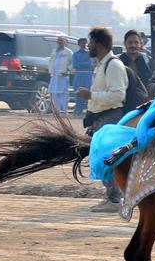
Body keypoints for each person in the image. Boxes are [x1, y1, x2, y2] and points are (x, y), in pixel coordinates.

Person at [77, 27, 128, 213]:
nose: (88, 46)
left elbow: (117, 95)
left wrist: (91, 95)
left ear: (98, 44)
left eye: (90, 42)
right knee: (102, 158)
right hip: (101, 118)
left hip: (111, 116)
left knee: (109, 158)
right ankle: (111, 197)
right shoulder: (101, 65)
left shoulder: (113, 65)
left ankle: (115, 200)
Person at [48, 36, 73, 114]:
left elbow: (72, 63)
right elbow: (50, 61)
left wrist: (67, 70)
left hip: (63, 75)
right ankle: (56, 110)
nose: (60, 42)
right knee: (54, 92)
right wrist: (50, 71)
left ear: (65, 42)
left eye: (62, 41)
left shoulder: (68, 52)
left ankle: (64, 110)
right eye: (58, 41)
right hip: (54, 76)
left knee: (63, 93)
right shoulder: (54, 51)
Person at [71, 37, 93, 116]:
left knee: (88, 92)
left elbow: (90, 64)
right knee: (78, 92)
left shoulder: (90, 54)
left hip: (87, 75)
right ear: (79, 44)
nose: (84, 45)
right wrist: (84, 64)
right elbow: (75, 65)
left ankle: (88, 112)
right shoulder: (75, 54)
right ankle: (78, 111)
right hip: (78, 76)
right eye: (82, 43)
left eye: (85, 43)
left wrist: (81, 64)